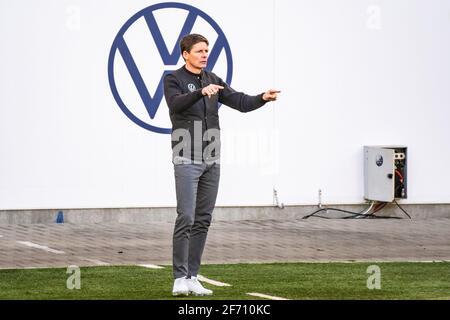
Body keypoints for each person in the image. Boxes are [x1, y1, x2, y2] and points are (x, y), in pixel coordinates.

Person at [163, 33, 279, 296]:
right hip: (186, 154)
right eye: (199, 51)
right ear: (185, 54)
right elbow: (175, 104)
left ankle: (192, 275)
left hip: (211, 156)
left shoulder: (212, 79)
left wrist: (262, 97)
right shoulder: (173, 79)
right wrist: (200, 93)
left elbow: (240, 101)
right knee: (187, 216)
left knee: (203, 219)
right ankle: (179, 278)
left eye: (206, 50)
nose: (204, 54)